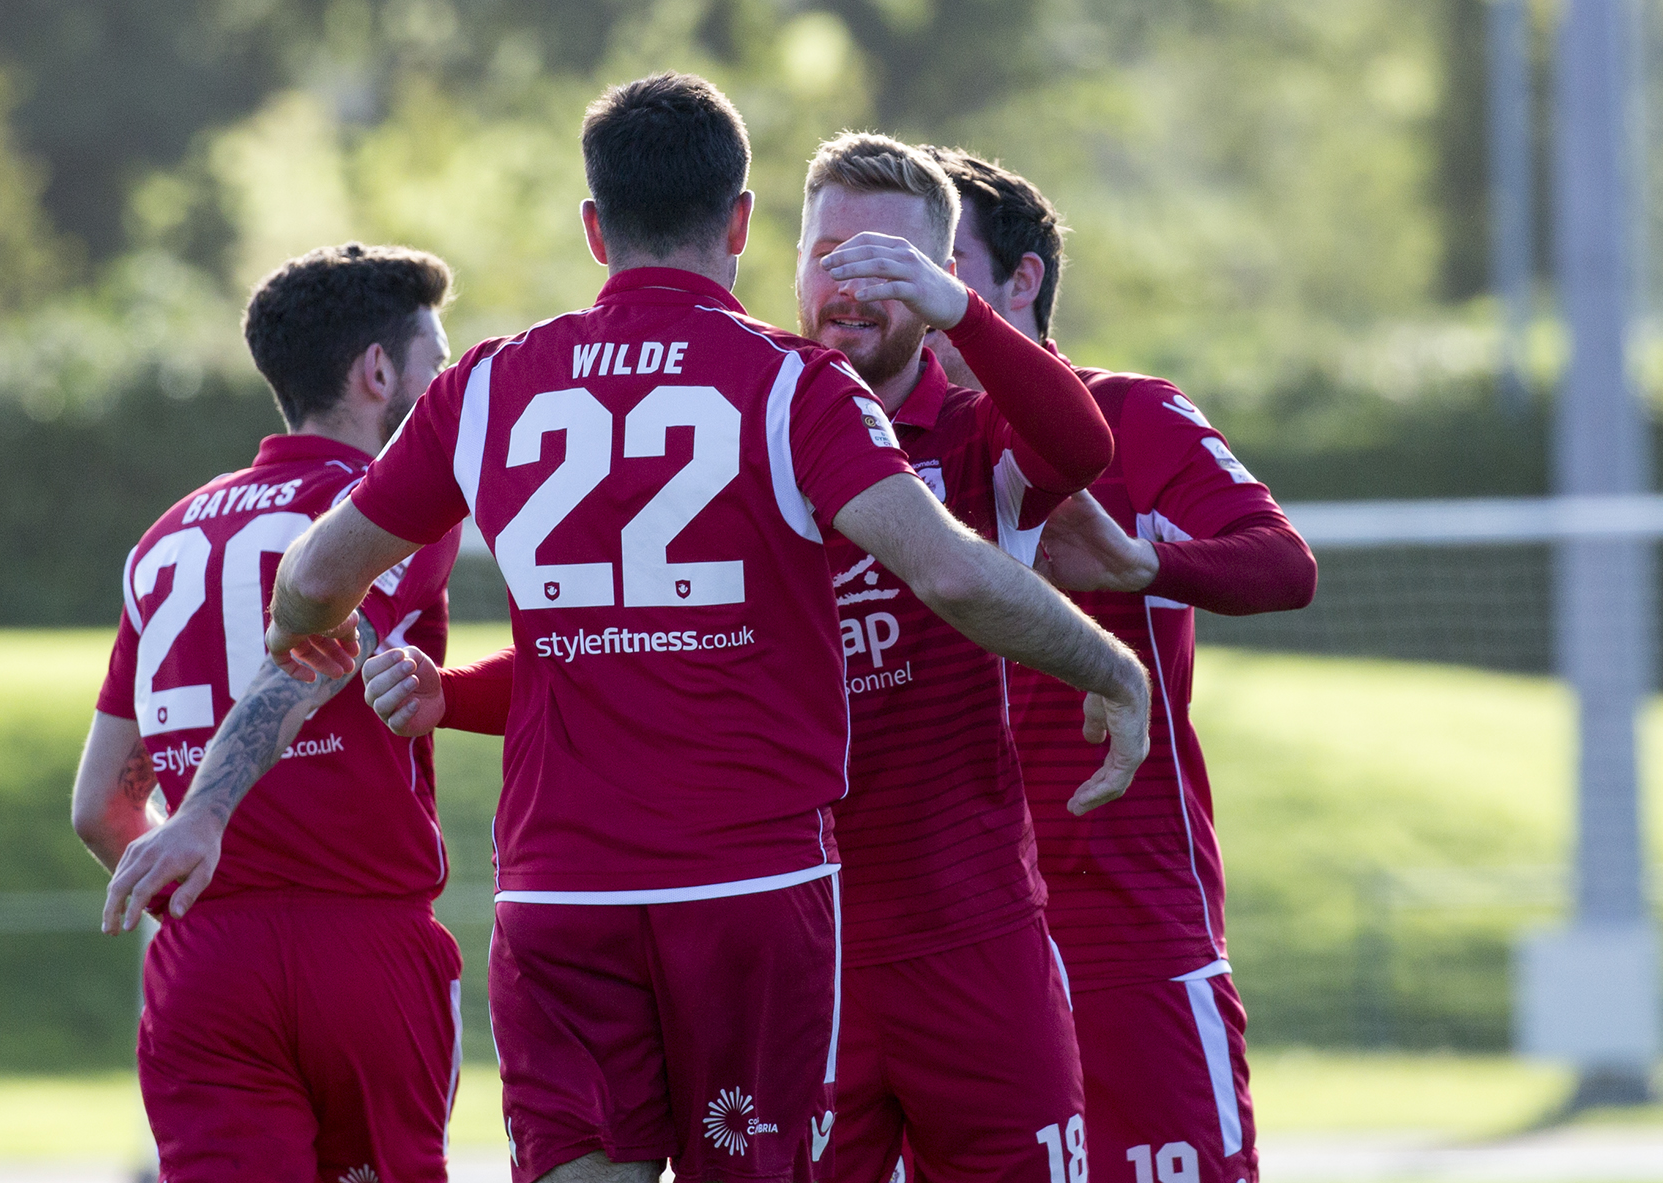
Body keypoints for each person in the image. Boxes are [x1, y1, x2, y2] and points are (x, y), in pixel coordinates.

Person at [261, 73, 1151, 1183]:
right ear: (743, 224)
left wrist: (310, 625)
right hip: (749, 895)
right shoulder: (789, 387)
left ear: (594, 228)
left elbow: (311, 578)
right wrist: (1108, 659)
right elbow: (951, 573)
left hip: (561, 894)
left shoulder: (487, 385)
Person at [924, 146, 1318, 1183]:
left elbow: (1284, 564)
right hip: (941, 933)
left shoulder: (1131, 414)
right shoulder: (863, 439)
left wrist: (1146, 561)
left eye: (942, 257)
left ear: (1022, 280)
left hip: (1125, 920)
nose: (912, 283)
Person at [74, 242, 464, 1183]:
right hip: (360, 946)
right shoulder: (389, 504)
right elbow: (313, 654)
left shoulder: (165, 538)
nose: (446, 389)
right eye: (437, 365)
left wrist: (190, 865)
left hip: (205, 959)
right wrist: (206, 815)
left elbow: (98, 807)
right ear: (379, 370)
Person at [791, 131, 1111, 1183]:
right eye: (829, 253)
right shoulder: (754, 431)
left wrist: (965, 311)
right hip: (800, 933)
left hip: (976, 935)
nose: (850, 283)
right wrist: (452, 695)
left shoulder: (976, 436)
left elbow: (1083, 446)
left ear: (930, 281)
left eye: (885, 262)